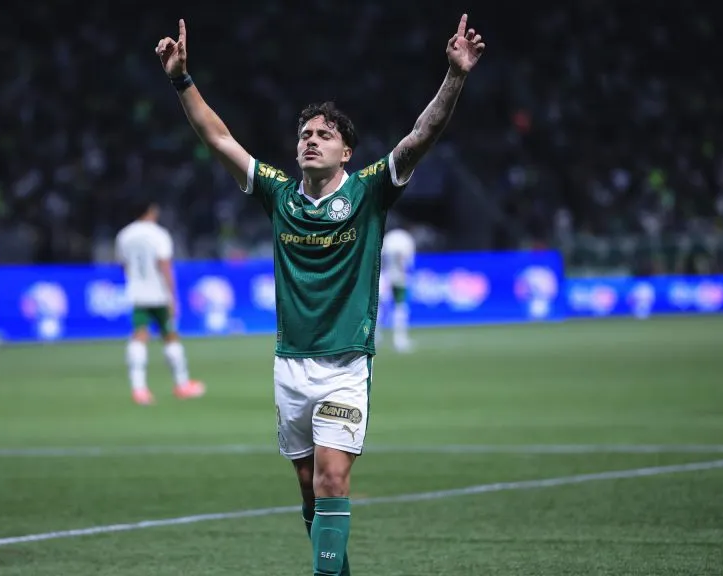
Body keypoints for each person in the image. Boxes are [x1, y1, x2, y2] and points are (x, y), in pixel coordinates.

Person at [155, 14, 484, 575]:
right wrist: (182, 80)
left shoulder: (371, 190)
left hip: (345, 364)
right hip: (290, 365)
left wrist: (454, 76)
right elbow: (218, 137)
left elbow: (422, 134)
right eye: (305, 134)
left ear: (346, 152)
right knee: (311, 492)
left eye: (323, 134)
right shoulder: (278, 194)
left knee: (334, 477)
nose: (310, 141)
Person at [115, 201, 205, 405]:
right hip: (159, 293)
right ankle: (182, 384)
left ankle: (139, 389)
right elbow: (164, 266)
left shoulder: (124, 235)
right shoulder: (159, 234)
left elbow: (123, 265)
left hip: (137, 292)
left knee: (139, 335)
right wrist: (173, 296)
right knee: (170, 336)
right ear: (150, 211)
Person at [381, 227, 416, 352]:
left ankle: (374, 338)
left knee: (379, 308)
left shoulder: (389, 239)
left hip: (383, 277)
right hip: (398, 276)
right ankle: (399, 340)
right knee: (400, 308)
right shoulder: (405, 239)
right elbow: (407, 261)